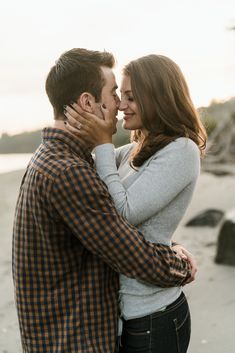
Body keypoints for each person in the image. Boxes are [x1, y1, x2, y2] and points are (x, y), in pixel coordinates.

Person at [12, 49, 195, 353]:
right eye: (114, 94)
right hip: (72, 340)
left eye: (129, 97)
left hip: (86, 332)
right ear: (87, 102)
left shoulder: (55, 160)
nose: (120, 105)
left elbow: (119, 229)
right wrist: (182, 265)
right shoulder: (69, 172)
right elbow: (135, 255)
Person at [64, 54, 207, 353]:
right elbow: (95, 182)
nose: (120, 105)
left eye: (130, 97)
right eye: (120, 95)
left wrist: (103, 142)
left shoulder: (182, 150)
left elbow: (122, 213)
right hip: (126, 314)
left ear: (158, 96)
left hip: (155, 315)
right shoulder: (136, 148)